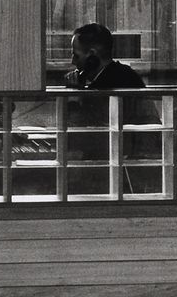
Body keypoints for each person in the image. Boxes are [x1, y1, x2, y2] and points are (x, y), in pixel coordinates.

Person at [63, 23, 159, 193]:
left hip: (114, 174)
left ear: (92, 56)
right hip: (122, 168)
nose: (72, 61)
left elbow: (82, 135)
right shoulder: (124, 75)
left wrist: (73, 97)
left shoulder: (109, 85)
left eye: (75, 55)